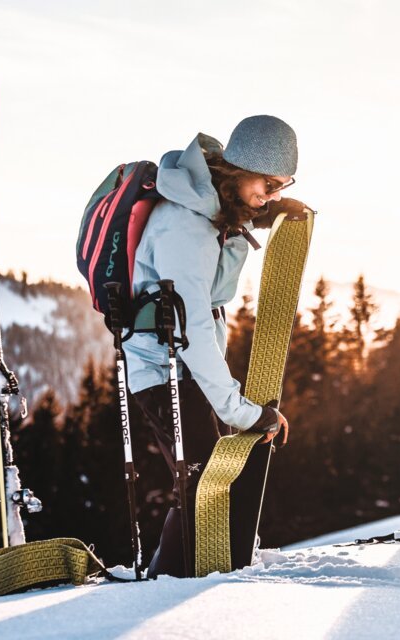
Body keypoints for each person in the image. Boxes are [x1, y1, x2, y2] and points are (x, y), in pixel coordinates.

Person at [124, 115, 310, 577]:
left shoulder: (212, 208)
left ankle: (201, 572)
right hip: (161, 370)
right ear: (240, 168)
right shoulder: (185, 227)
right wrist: (240, 410)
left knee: (207, 483)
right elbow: (193, 330)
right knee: (204, 485)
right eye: (269, 184)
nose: (273, 195)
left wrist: (267, 210)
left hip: (183, 367)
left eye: (283, 186)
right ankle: (167, 586)